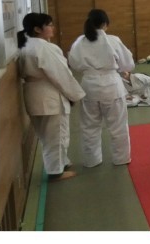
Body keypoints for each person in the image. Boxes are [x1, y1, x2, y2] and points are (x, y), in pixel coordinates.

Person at [17, 12, 85, 181]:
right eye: (49, 25)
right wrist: (73, 95)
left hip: (33, 93)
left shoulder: (25, 45)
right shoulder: (45, 48)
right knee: (56, 136)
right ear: (37, 29)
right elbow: (61, 75)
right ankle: (56, 171)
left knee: (46, 135)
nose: (52, 27)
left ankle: (62, 162)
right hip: (49, 94)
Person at [67, 9, 135, 167]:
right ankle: (121, 158)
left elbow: (73, 63)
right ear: (105, 23)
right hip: (111, 86)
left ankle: (92, 160)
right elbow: (128, 64)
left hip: (89, 86)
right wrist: (118, 68)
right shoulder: (113, 40)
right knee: (118, 126)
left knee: (89, 126)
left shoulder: (80, 42)